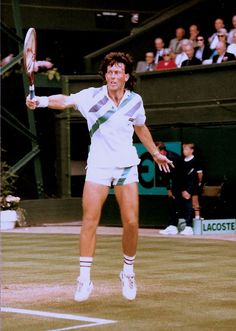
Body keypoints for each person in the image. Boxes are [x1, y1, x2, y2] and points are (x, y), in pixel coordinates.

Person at [26, 52, 173, 302]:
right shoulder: (91, 96)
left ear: (126, 76)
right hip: (98, 166)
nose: (113, 75)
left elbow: (140, 127)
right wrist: (38, 101)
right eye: (109, 71)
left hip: (127, 166)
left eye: (118, 72)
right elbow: (64, 101)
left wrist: (155, 153)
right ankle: (84, 279)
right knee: (89, 221)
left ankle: (127, 272)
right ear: (105, 75)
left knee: (132, 222)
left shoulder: (135, 101)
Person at [155, 142, 182, 235]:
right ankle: (172, 226)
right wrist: (169, 188)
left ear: (162, 151)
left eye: (157, 150)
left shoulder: (174, 158)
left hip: (181, 183)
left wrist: (174, 189)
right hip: (173, 184)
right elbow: (164, 175)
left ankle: (179, 226)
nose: (155, 153)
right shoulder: (157, 159)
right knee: (171, 203)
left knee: (178, 203)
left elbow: (178, 175)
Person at [180, 143, 204, 235]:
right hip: (185, 186)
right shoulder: (183, 161)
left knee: (195, 202)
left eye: (186, 149)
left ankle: (197, 218)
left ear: (191, 150)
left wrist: (198, 183)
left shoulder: (196, 161)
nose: (184, 151)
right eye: (183, 150)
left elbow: (200, 174)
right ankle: (188, 224)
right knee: (187, 204)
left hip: (194, 185)